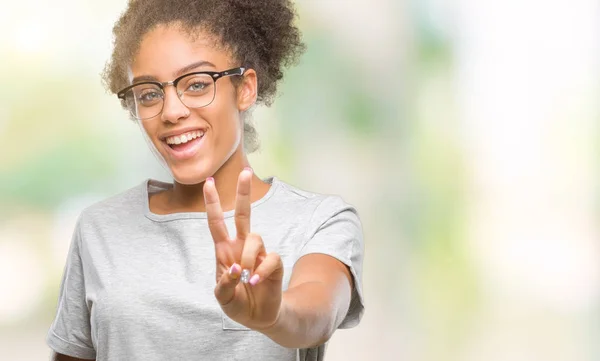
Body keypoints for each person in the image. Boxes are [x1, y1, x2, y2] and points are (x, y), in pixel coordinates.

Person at [46, 0, 365, 360]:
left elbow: (318, 313)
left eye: (197, 84)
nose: (171, 111)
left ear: (245, 88)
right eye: (149, 93)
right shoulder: (100, 229)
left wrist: (274, 315)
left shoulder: (318, 221)